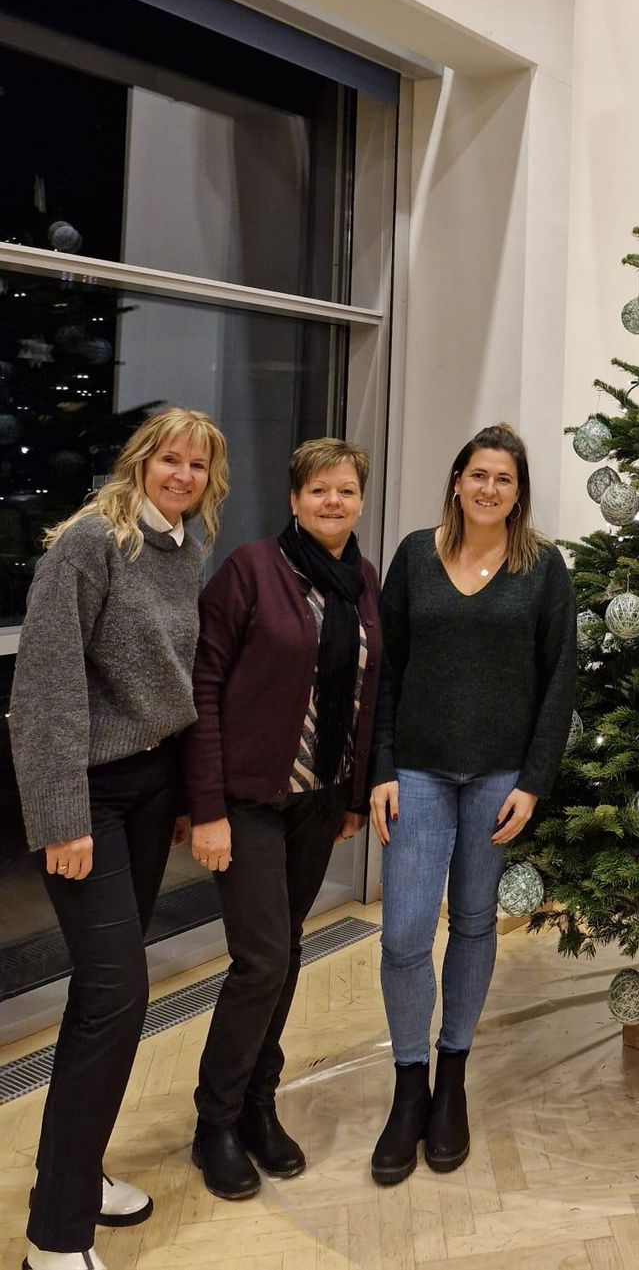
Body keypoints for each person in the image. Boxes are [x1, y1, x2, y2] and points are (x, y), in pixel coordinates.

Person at [11, 408, 228, 1270]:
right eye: (169, 459)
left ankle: (73, 1171)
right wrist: (60, 814)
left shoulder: (185, 551)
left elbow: (176, 689)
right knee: (117, 996)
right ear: (141, 461)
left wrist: (183, 795)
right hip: (89, 798)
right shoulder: (90, 546)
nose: (182, 475)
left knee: (101, 1001)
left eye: (197, 466)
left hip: (148, 791)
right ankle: (52, 1241)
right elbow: (47, 689)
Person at [369, 422, 575, 1185]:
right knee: (404, 933)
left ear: (518, 493)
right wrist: (382, 765)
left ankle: (452, 1075)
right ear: (457, 480)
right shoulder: (416, 556)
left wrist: (534, 780)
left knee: (478, 921)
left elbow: (560, 681)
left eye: (505, 479)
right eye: (478, 474)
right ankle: (408, 1082)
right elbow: (385, 670)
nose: (490, 488)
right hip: (417, 771)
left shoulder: (543, 568)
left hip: (499, 777)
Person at [183, 438, 383, 1200]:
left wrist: (354, 794)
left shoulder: (361, 579)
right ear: (294, 499)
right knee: (261, 959)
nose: (334, 502)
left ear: (360, 500)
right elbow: (203, 688)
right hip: (248, 800)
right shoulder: (251, 571)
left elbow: (367, 691)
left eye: (346, 491)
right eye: (319, 490)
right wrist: (206, 807)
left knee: (289, 951)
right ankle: (214, 1121)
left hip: (318, 800)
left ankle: (259, 1106)